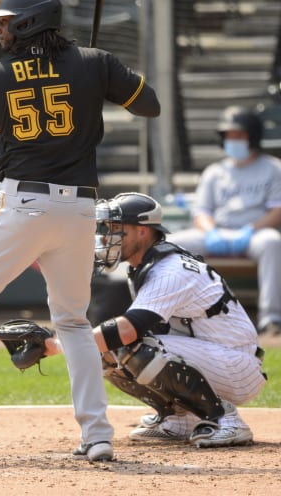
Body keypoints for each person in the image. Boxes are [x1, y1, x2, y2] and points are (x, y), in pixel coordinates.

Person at [0, 0, 160, 463]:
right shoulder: (94, 62)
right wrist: (101, 73)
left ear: (30, 22)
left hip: (23, 203)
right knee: (74, 321)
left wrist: (85, 71)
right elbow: (149, 105)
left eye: (6, 20)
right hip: (79, 210)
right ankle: (97, 435)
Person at [43, 192, 267, 447]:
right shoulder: (145, 266)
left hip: (236, 365)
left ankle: (226, 420)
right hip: (214, 357)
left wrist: (57, 346)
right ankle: (178, 419)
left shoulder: (170, 269)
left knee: (132, 346)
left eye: (118, 229)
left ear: (142, 232)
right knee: (107, 351)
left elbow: (127, 331)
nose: (108, 237)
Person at [169, 105, 281, 336]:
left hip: (254, 233)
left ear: (253, 136)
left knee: (273, 243)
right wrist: (212, 232)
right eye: (228, 136)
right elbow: (201, 212)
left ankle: (271, 320)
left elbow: (277, 210)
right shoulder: (214, 171)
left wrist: (250, 230)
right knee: (169, 245)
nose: (233, 141)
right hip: (216, 233)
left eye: (238, 135)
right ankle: (170, 316)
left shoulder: (273, 168)